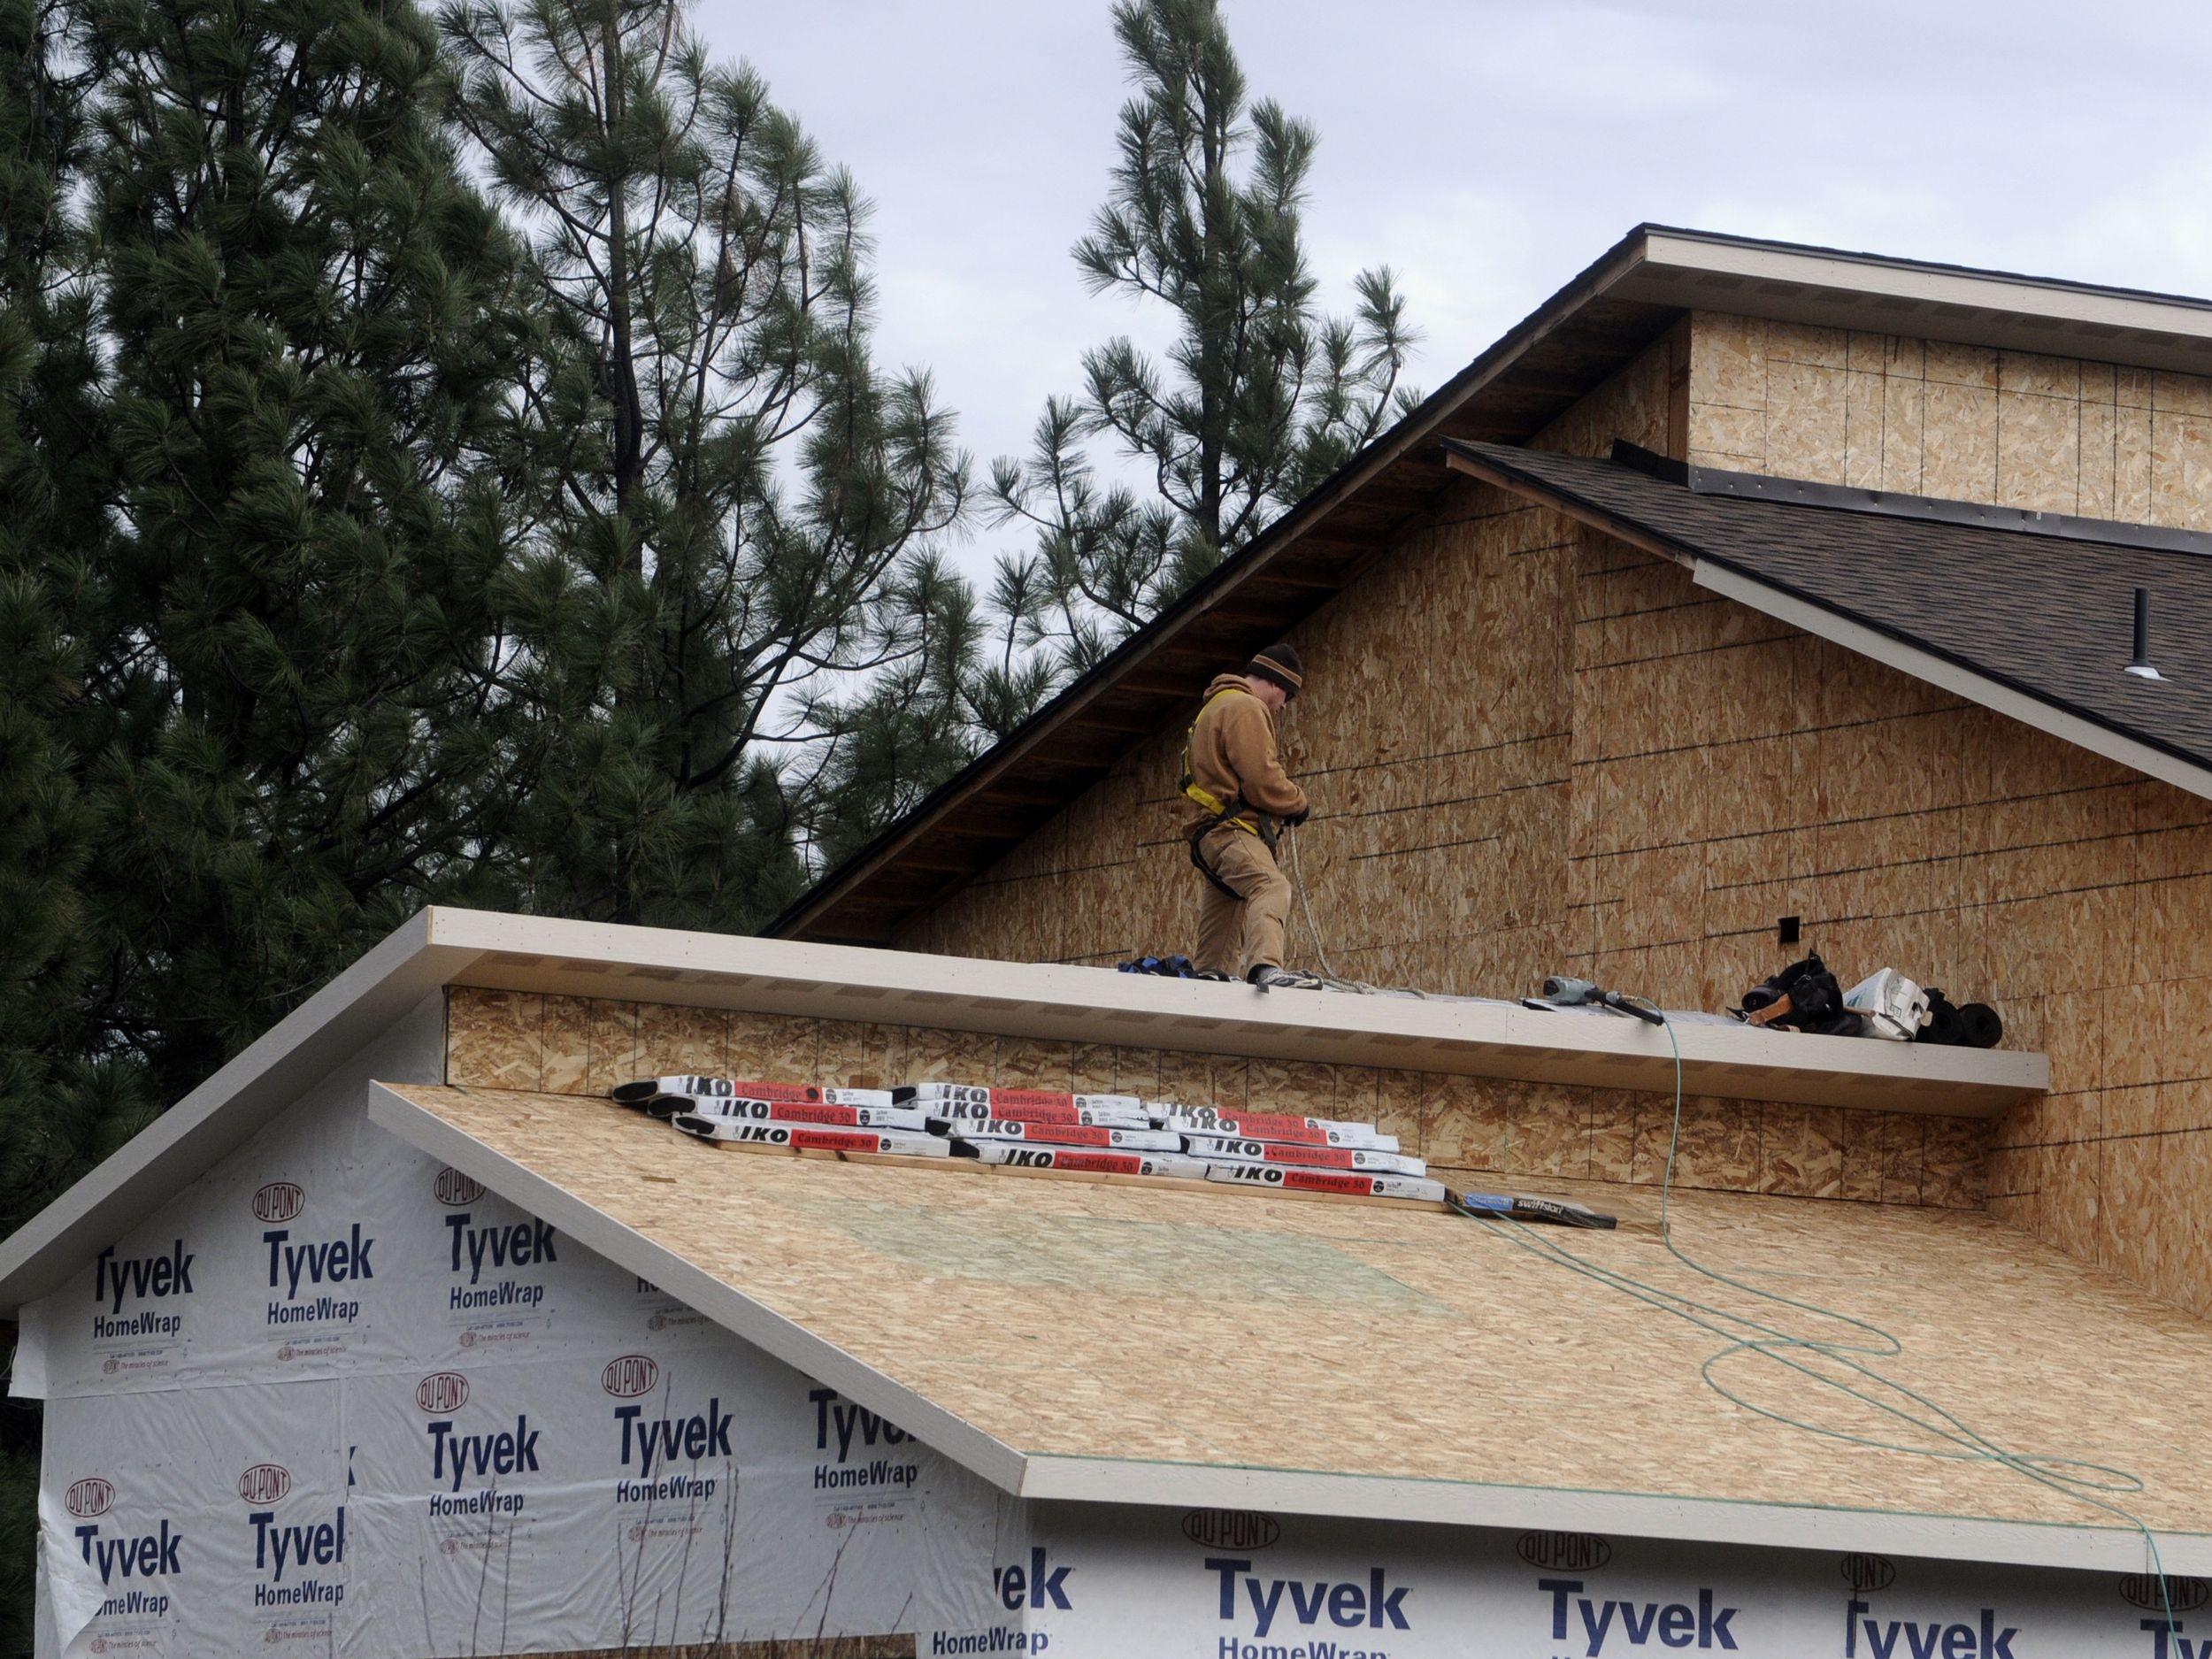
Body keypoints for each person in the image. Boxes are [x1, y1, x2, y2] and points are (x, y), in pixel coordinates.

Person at [1178, 643, 1320, 989]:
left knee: (1228, 897)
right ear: (1275, 682)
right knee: (1270, 885)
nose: (1283, 706)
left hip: (1207, 834)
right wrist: (1296, 802)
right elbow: (1261, 779)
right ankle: (1266, 968)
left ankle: (1208, 976)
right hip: (1229, 830)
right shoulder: (1247, 707)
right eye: (1287, 695)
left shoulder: (1216, 705)